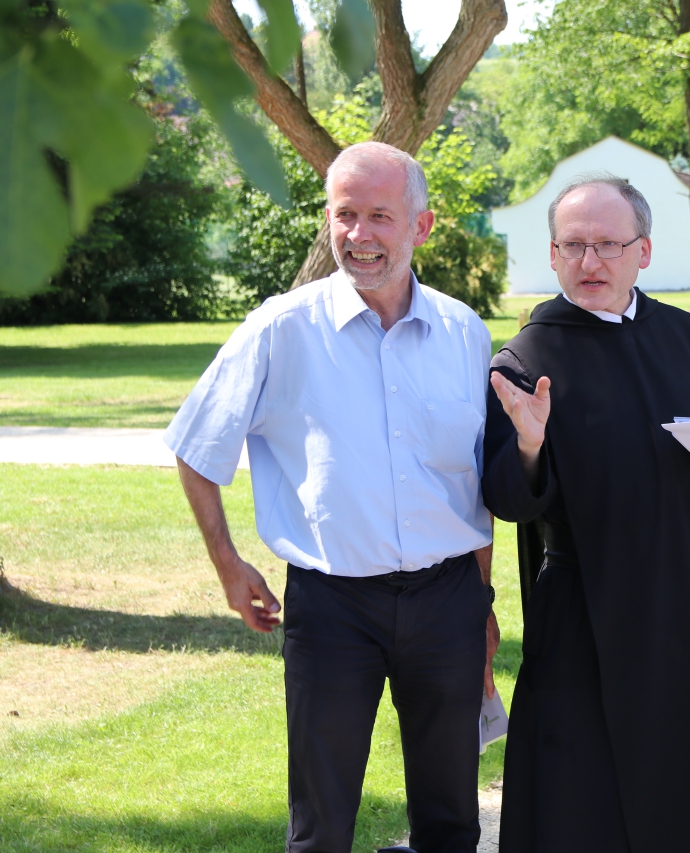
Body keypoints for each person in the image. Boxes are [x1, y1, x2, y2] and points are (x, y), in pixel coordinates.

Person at [165, 141, 499, 853]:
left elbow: (473, 486)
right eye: (345, 215)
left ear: (422, 225)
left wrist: (483, 604)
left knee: (451, 820)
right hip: (331, 607)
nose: (359, 235)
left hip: (449, 603)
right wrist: (229, 566)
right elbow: (197, 449)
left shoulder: (464, 332)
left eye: (380, 215)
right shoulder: (280, 328)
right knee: (320, 826)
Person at [481, 174, 690, 853]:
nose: (591, 263)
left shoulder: (685, 335)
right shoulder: (526, 358)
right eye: (574, 245)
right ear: (553, 254)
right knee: (587, 794)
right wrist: (528, 442)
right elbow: (505, 497)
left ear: (643, 252)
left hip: (687, 603)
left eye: (608, 245)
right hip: (588, 610)